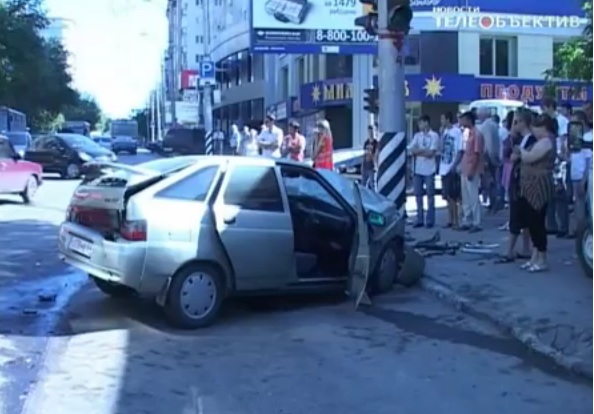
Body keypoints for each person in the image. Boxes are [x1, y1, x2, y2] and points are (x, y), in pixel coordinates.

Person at [513, 113, 556, 272]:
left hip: (539, 186)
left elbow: (529, 157)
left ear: (543, 128)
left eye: (536, 128)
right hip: (530, 185)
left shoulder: (546, 142)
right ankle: (534, 257)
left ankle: (542, 259)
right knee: (531, 222)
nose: (534, 131)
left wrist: (521, 151)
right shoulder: (540, 141)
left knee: (537, 223)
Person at [498, 108, 535, 262]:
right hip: (517, 181)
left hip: (522, 182)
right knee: (522, 217)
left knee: (517, 217)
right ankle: (525, 248)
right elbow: (507, 153)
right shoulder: (519, 139)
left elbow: (518, 157)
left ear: (522, 122)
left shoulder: (530, 140)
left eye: (516, 122)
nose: (514, 125)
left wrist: (517, 155)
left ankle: (510, 250)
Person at [408, 115, 439, 228]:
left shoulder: (434, 135)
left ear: (426, 122)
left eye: (421, 123)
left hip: (429, 170)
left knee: (430, 195)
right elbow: (411, 149)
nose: (419, 125)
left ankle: (430, 220)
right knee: (418, 195)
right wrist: (422, 151)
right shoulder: (417, 136)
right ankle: (419, 219)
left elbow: (431, 153)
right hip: (417, 170)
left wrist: (418, 151)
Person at [568, 110, 593, 236]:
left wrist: (584, 178)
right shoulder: (576, 137)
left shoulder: (590, 137)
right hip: (575, 173)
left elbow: (589, 160)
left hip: (585, 175)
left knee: (586, 204)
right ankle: (579, 230)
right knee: (578, 203)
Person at [459, 110, 484, 233]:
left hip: (472, 170)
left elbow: (476, 154)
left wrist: (472, 170)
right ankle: (467, 220)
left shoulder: (477, 134)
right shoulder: (468, 134)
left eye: (463, 119)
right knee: (466, 197)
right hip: (464, 169)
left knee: (473, 196)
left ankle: (477, 222)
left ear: (469, 120)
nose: (461, 122)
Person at [438, 112, 463, 229]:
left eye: (443, 118)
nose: (441, 121)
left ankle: (456, 221)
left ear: (448, 119)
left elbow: (459, 150)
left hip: (451, 167)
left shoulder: (456, 132)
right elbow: (440, 148)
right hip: (443, 166)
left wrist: (455, 165)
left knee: (453, 196)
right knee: (447, 196)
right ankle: (449, 219)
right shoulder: (445, 132)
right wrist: (441, 134)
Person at [477, 107, 501, 212]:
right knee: (493, 181)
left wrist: (488, 158)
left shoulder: (486, 126)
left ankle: (493, 204)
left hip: (488, 156)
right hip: (495, 155)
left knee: (489, 182)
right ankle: (493, 203)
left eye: (479, 114)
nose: (478, 116)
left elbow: (488, 142)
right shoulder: (494, 124)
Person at [362, 125, 379, 190]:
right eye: (369, 131)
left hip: (372, 167)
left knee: (373, 185)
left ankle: (375, 199)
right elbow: (364, 155)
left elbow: (376, 155)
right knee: (363, 185)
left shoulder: (376, 143)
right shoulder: (366, 142)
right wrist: (362, 166)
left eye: (372, 131)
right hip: (365, 166)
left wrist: (375, 165)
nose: (370, 133)